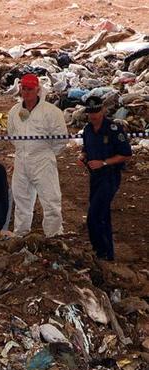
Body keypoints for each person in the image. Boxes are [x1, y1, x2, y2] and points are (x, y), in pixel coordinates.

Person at [7, 73, 68, 236]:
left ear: (37, 90)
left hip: (43, 161)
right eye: (24, 89)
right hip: (21, 161)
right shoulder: (14, 111)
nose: (26, 93)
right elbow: (11, 133)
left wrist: (45, 152)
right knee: (21, 201)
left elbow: (61, 138)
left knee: (51, 201)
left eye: (30, 89)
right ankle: (20, 235)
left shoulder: (51, 112)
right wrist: (23, 149)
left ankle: (53, 235)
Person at [79, 96, 132, 261]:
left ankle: (100, 251)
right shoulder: (88, 129)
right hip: (94, 177)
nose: (93, 116)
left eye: (96, 111)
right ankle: (107, 253)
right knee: (103, 215)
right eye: (90, 113)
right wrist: (83, 156)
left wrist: (103, 162)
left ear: (102, 110)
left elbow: (126, 154)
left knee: (94, 216)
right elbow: (86, 148)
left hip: (109, 176)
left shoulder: (114, 129)